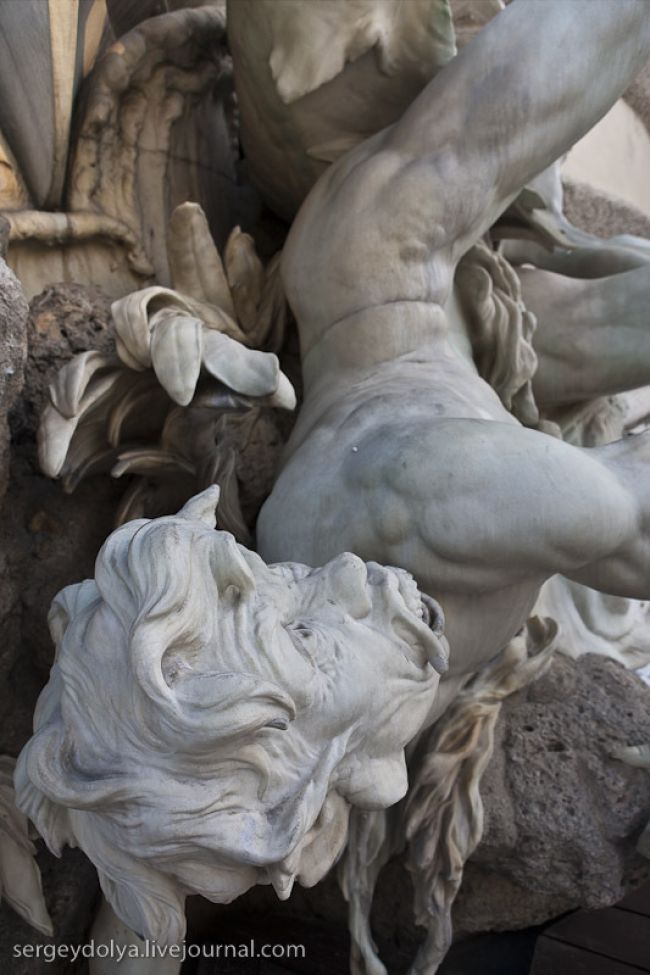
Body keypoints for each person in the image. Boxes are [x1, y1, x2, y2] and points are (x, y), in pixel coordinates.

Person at [257, 0, 650, 720]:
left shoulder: (450, 515)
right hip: (480, 361)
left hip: (379, 285)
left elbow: (630, 518)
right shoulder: (378, 699)